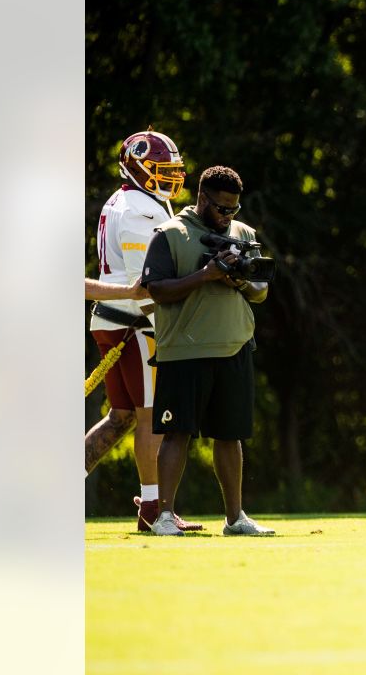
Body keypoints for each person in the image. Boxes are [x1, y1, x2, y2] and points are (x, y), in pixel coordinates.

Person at [140, 165, 275, 536]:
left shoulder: (243, 233)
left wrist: (240, 281)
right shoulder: (170, 235)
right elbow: (157, 289)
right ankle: (164, 516)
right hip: (184, 349)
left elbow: (261, 289)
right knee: (177, 433)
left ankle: (235, 518)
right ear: (202, 198)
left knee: (230, 436)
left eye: (233, 208)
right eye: (221, 208)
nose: (227, 216)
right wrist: (206, 276)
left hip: (234, 347)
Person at [86, 130, 201, 532]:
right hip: (135, 323)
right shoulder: (141, 209)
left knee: (120, 417)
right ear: (137, 167)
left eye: (172, 170)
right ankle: (153, 510)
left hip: (112, 320)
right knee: (152, 418)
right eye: (160, 169)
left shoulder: (126, 201)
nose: (169, 177)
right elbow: (146, 285)